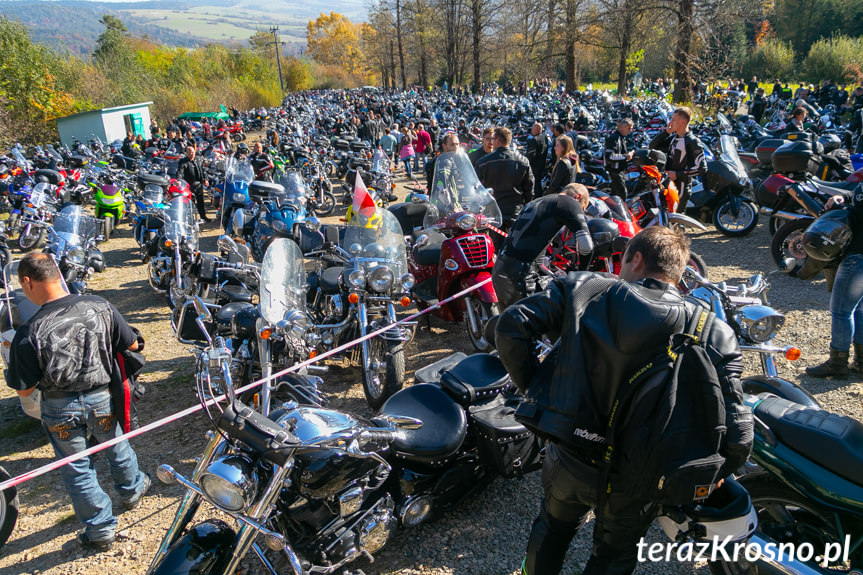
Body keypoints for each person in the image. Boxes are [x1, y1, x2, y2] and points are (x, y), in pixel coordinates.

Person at [495, 227, 753, 575]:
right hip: (642, 475)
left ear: (636, 258)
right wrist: (719, 473)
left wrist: (536, 389)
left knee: (552, 528)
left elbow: (511, 324)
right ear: (678, 273)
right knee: (613, 556)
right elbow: (739, 431)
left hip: (571, 455)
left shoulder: (586, 289)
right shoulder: (713, 328)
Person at [6, 253, 150, 552]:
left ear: (28, 282)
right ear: (58, 275)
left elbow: (24, 390)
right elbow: (133, 344)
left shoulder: (29, 331)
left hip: (59, 411)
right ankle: (133, 489)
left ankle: (99, 531)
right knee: (116, 443)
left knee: (77, 469)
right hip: (102, 399)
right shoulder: (99, 305)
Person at [492, 183, 592, 307]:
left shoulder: (536, 202)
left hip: (500, 269)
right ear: (578, 197)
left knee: (510, 323)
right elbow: (587, 246)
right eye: (582, 208)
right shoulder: (569, 203)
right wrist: (582, 273)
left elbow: (536, 256)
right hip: (520, 274)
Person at [806, 192, 863, 377]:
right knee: (859, 310)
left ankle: (837, 363)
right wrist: (844, 196)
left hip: (858, 256)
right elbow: (857, 192)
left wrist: (846, 208)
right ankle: (861, 364)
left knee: (841, 311)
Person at [648, 106, 706, 212]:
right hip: (668, 184)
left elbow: (702, 168)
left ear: (682, 122)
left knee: (676, 219)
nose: (671, 122)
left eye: (673, 120)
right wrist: (666, 133)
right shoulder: (674, 138)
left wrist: (677, 174)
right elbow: (652, 147)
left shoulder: (692, 141)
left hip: (682, 186)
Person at [177, 145, 210, 222]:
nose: (192, 153)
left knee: (201, 201)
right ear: (186, 153)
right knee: (190, 202)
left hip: (199, 184)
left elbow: (203, 170)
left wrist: (206, 179)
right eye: (190, 152)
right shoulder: (183, 162)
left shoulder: (198, 159)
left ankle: (203, 216)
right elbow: (180, 172)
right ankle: (189, 218)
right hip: (189, 185)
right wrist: (179, 180)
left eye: (193, 152)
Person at [603, 118, 635, 199]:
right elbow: (610, 156)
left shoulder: (622, 138)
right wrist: (625, 157)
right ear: (623, 127)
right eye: (629, 128)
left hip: (619, 170)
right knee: (622, 195)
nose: (630, 131)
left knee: (616, 195)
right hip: (615, 171)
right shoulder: (614, 138)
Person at [526, 122, 549, 198]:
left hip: (534, 166)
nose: (531, 130)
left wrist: (526, 163)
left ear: (537, 130)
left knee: (534, 183)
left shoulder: (534, 140)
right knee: (538, 182)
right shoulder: (544, 138)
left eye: (533, 128)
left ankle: (535, 197)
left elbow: (531, 155)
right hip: (541, 164)